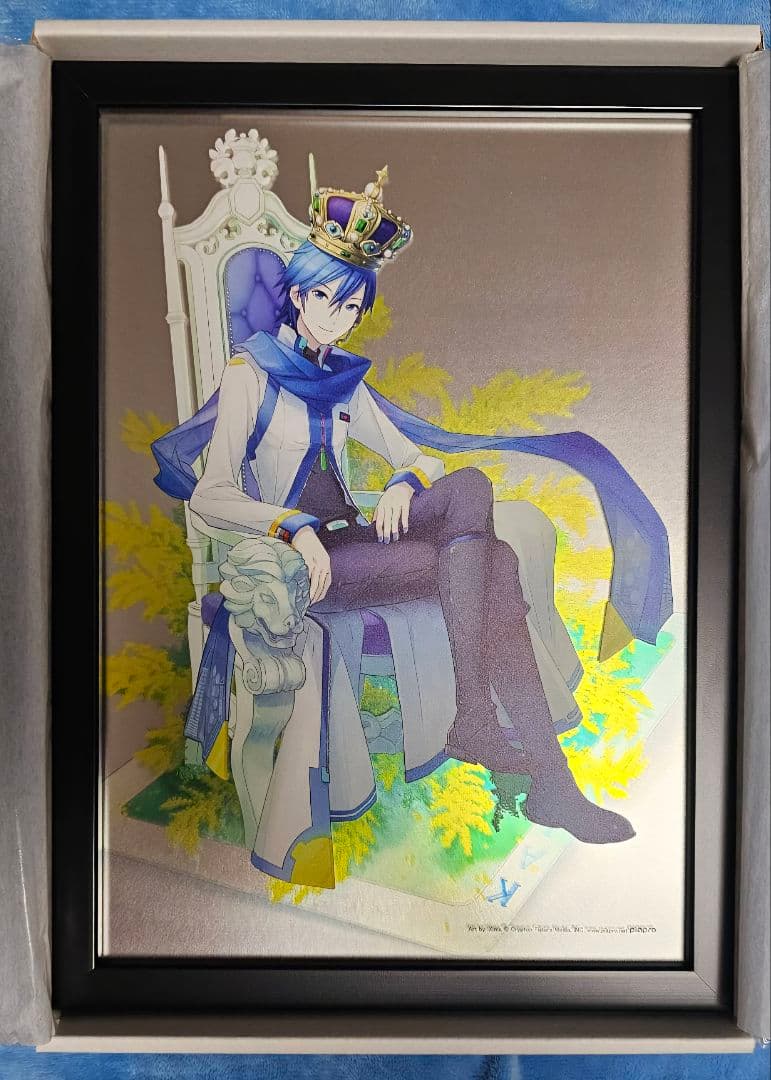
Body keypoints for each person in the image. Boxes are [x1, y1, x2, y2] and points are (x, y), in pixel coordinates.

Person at [175, 164, 642, 846]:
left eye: (350, 308)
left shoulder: (341, 381)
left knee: (470, 486)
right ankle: (541, 776)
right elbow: (210, 494)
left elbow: (421, 459)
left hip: (357, 536)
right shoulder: (251, 375)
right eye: (325, 299)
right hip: (304, 562)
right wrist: (292, 527)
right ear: (297, 294)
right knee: (496, 564)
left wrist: (402, 482)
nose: (336, 318)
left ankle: (481, 726)